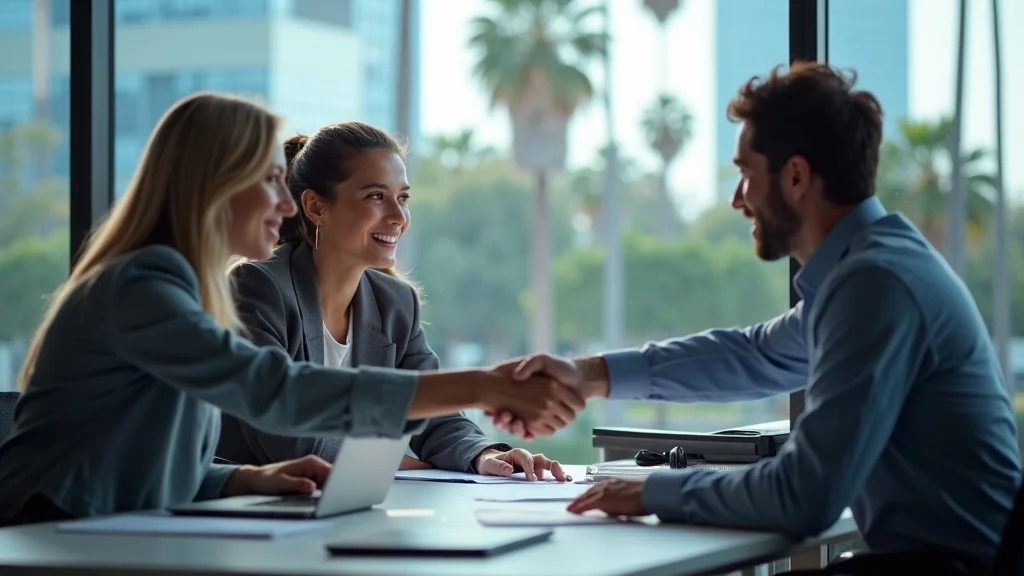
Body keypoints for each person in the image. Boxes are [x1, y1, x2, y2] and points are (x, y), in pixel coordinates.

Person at [492, 63, 1022, 573]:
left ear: (795, 177)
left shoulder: (876, 283)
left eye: (746, 174)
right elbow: (753, 354)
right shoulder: (867, 270)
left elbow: (804, 495)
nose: (737, 199)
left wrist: (652, 491)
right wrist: (588, 376)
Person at [0, 92, 585, 526]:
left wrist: (243, 478)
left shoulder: (182, 288)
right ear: (215, 185)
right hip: (50, 532)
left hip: (108, 529)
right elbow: (279, 393)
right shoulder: (145, 284)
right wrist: (484, 384)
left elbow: (137, 457)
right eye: (271, 181)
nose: (285, 205)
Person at [217, 122, 568, 481]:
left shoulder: (396, 302)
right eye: (375, 196)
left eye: (402, 198)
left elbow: (434, 410)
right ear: (315, 207)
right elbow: (287, 432)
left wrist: (486, 454)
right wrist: (398, 463)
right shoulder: (258, 286)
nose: (399, 217)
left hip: (340, 507)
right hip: (250, 511)